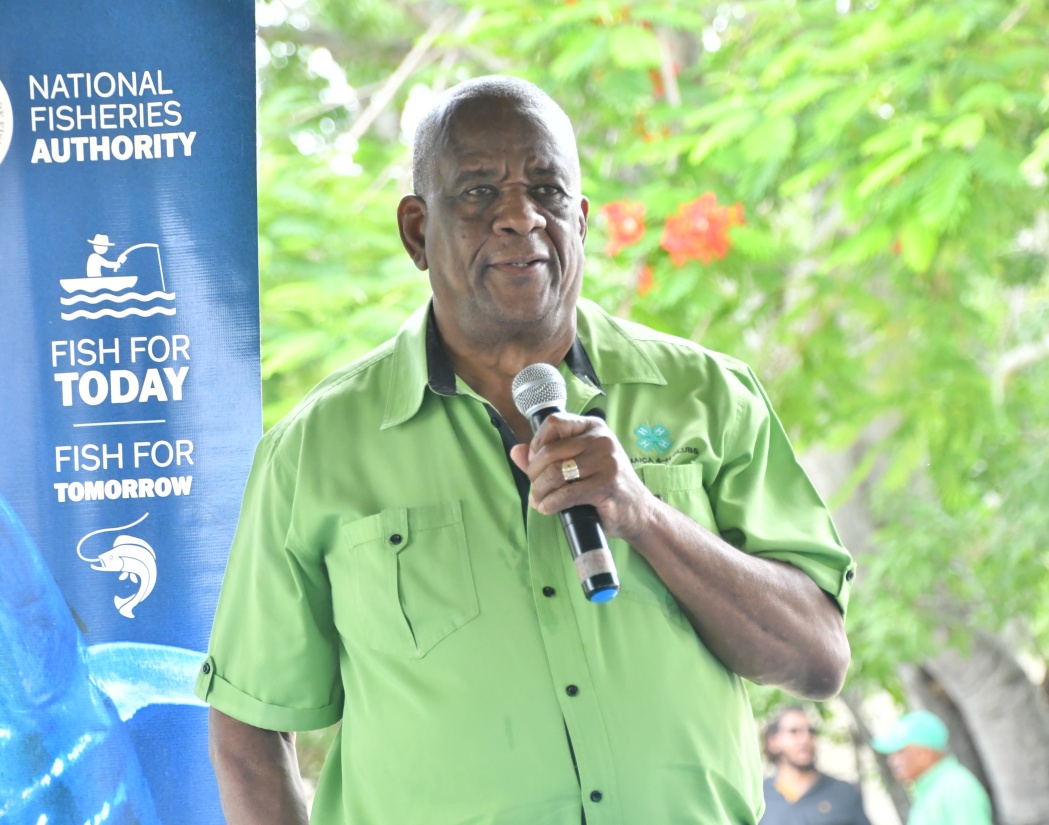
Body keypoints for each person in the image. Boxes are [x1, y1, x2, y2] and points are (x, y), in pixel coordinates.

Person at [197, 75, 856, 825]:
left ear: (580, 219)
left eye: (546, 189)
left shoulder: (709, 395)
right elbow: (250, 725)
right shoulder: (317, 450)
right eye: (478, 192)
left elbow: (817, 657)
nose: (519, 217)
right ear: (417, 230)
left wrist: (645, 516)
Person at [872, 711, 993, 825]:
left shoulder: (956, 787)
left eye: (899, 752)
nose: (891, 761)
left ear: (923, 754)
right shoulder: (928, 792)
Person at [761, 705, 872, 825]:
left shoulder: (843, 794)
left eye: (811, 731)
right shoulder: (759, 799)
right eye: (794, 731)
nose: (805, 739)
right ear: (773, 742)